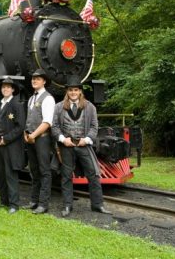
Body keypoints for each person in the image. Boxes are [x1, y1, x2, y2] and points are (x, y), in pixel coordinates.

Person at [51, 75, 112, 217]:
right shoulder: (58, 107)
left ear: (80, 92)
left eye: (76, 90)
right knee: (66, 176)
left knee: (94, 175)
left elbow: (94, 126)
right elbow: (54, 127)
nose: (73, 92)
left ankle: (98, 205)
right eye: (71, 90)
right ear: (67, 91)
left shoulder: (90, 107)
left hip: (84, 145)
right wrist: (62, 139)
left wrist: (88, 139)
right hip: (67, 145)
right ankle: (67, 205)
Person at [24, 69, 55, 214]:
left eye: (37, 79)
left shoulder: (48, 98)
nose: (34, 80)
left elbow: (47, 122)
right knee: (34, 170)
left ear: (44, 81)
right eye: (33, 78)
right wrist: (26, 134)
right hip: (31, 139)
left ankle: (43, 204)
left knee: (44, 171)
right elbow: (29, 120)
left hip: (41, 139)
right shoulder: (31, 99)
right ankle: (34, 200)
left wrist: (33, 135)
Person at [0, 78, 26, 214]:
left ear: (12, 90)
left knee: (11, 174)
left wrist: (6, 139)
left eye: (8, 87)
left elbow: (20, 127)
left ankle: (14, 204)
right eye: (3, 87)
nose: (5, 89)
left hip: (10, 145)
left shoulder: (17, 105)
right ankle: (3, 201)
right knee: (1, 173)